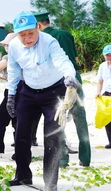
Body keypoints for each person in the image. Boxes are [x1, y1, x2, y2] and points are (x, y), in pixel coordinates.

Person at [6, 11, 77, 191]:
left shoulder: (49, 42)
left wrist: (69, 78)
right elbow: (13, 71)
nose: (27, 38)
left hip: (53, 91)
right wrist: (11, 96)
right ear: (17, 34)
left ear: (38, 27)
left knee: (52, 136)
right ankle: (22, 174)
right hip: (28, 91)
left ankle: (50, 182)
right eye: (22, 35)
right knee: (21, 134)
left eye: (30, 33)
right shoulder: (14, 46)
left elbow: (63, 60)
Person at [34, 12, 91, 167]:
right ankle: (85, 158)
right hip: (75, 79)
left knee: (59, 119)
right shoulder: (65, 34)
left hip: (58, 82)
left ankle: (63, 159)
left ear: (38, 25)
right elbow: (76, 59)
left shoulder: (42, 39)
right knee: (80, 120)